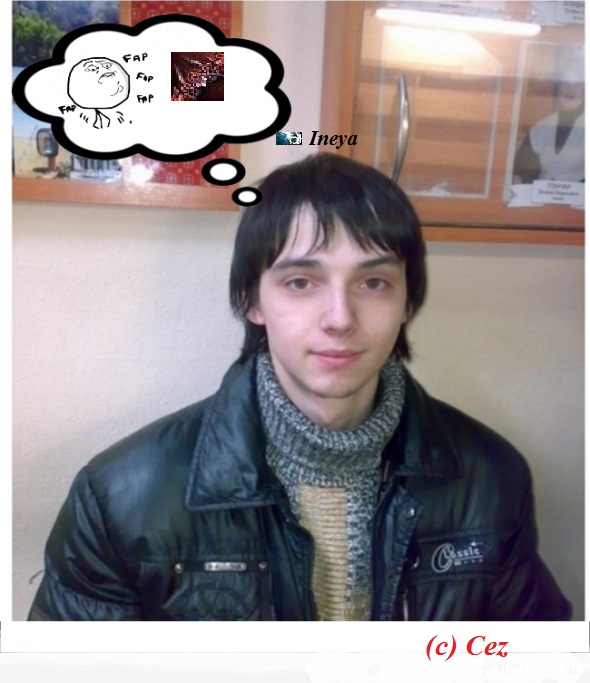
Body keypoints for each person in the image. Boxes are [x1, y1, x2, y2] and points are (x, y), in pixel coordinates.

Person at [28, 153, 571, 621]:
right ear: (252, 300)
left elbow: (527, 660)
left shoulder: (490, 477)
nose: (340, 318)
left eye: (374, 282)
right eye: (300, 282)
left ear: (408, 302)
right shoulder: (121, 498)